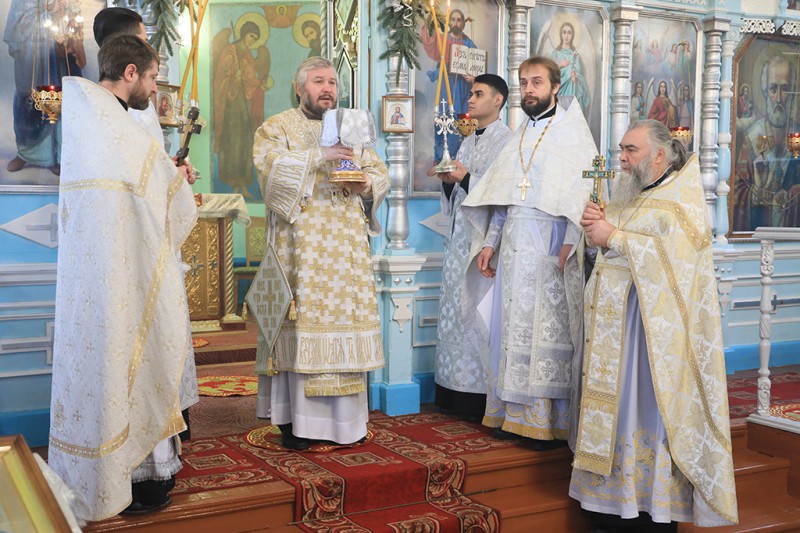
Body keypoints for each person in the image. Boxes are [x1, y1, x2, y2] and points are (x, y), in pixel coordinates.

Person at [49, 34, 198, 521]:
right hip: (122, 279)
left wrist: (165, 177)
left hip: (97, 279)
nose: (155, 89)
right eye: (152, 77)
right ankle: (136, 482)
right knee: (134, 361)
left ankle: (103, 479)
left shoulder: (90, 119)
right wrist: (176, 182)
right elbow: (160, 201)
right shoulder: (118, 127)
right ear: (130, 73)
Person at [573, 119, 738, 530]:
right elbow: (603, 255)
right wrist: (592, 233)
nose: (622, 159)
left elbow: (677, 266)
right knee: (616, 416)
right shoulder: (626, 196)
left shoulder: (681, 201)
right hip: (614, 338)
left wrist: (613, 236)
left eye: (631, 150)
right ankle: (607, 506)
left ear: (659, 155)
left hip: (651, 344)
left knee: (643, 415)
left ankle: (649, 508)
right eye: (621, 150)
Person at [252, 57, 390, 451]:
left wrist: (366, 184)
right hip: (300, 255)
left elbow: (378, 171)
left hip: (346, 256)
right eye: (318, 81)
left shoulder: (352, 128)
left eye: (331, 81)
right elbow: (270, 171)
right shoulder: (276, 127)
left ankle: (347, 426)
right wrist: (320, 156)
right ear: (300, 89)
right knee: (300, 329)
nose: (327, 88)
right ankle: (298, 424)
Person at [460, 56, 595, 448]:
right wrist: (490, 243)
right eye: (524, 82)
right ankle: (510, 416)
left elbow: (585, 194)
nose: (529, 89)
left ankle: (544, 421)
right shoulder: (519, 135)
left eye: (537, 82)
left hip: (551, 246)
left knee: (544, 333)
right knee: (510, 329)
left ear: (555, 87)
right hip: (514, 247)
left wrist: (571, 240)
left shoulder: (572, 134)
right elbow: (504, 198)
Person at [93, 5, 199, 444]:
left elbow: (146, 165)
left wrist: (171, 170)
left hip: (149, 234)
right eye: (142, 38)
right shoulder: (108, 108)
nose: (156, 87)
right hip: (130, 245)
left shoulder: (127, 103)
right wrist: (168, 180)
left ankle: (169, 423)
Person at [432, 74, 512, 420]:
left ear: (498, 100)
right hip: (458, 237)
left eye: (479, 94)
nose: (471, 99)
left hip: (482, 241)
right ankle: (450, 391)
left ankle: (475, 397)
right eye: (471, 93)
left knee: (474, 315)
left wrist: (464, 177)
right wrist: (450, 182)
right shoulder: (467, 139)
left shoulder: (507, 141)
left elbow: (501, 195)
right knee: (454, 314)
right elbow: (459, 191)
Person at [4, 0, 87, 176]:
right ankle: (26, 152)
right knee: (28, 99)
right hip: (32, 55)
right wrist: (46, 17)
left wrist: (65, 21)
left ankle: (57, 156)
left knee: (58, 99)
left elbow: (74, 17)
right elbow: (18, 23)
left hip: (58, 56)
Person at [733, 55, 800, 231]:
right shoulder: (752, 136)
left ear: (792, 93)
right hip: (758, 231)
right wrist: (757, 190)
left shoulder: (797, 134)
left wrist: (794, 193)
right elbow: (737, 191)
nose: (778, 98)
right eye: (773, 89)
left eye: (784, 89)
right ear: (764, 92)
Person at [212, 20, 271, 197]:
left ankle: (244, 185)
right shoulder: (230, 52)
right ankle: (234, 184)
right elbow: (220, 80)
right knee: (234, 143)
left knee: (247, 142)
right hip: (232, 107)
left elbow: (251, 79)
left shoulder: (248, 55)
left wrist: (259, 84)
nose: (252, 41)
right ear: (244, 34)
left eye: (255, 38)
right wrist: (234, 79)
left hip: (246, 106)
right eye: (251, 36)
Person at [422, 8, 477, 163]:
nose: (455, 23)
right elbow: (430, 44)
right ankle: (441, 158)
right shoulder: (443, 40)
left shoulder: (469, 44)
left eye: (459, 20)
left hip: (463, 88)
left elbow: (476, 67)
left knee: (461, 121)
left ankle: (459, 158)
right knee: (443, 118)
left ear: (463, 23)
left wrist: (473, 79)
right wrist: (428, 21)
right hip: (446, 86)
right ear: (448, 22)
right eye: (452, 19)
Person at [551, 22, 589, 112]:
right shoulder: (556, 54)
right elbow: (550, 74)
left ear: (572, 36)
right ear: (561, 35)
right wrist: (560, 65)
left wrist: (576, 77)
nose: (566, 36)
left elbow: (581, 75)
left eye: (569, 33)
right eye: (564, 32)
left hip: (573, 90)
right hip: (560, 91)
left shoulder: (575, 55)